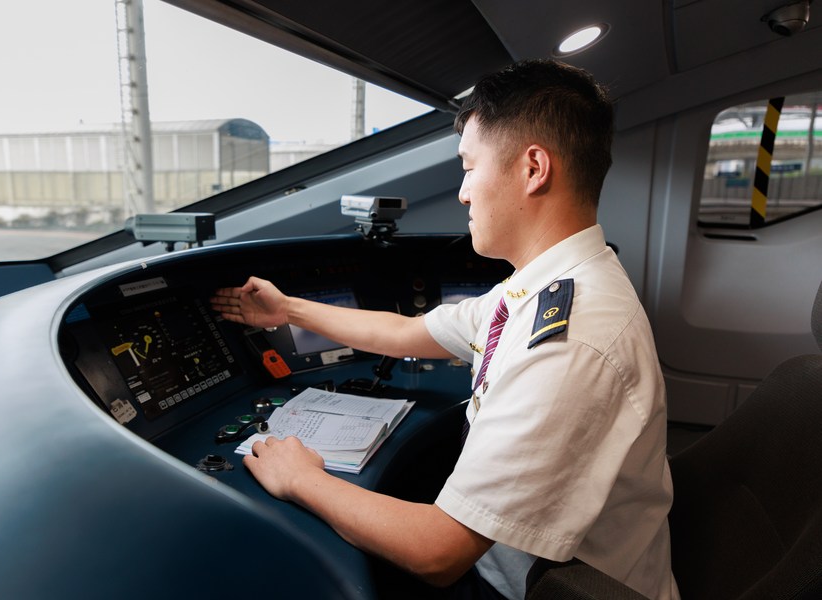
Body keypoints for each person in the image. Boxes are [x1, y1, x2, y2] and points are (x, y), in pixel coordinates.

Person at [210, 59, 679, 600]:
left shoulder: (572, 339)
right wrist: (288, 310)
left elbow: (438, 552)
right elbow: (406, 333)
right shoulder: (545, 286)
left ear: (533, 169)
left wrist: (301, 478)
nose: (463, 193)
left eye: (469, 167)